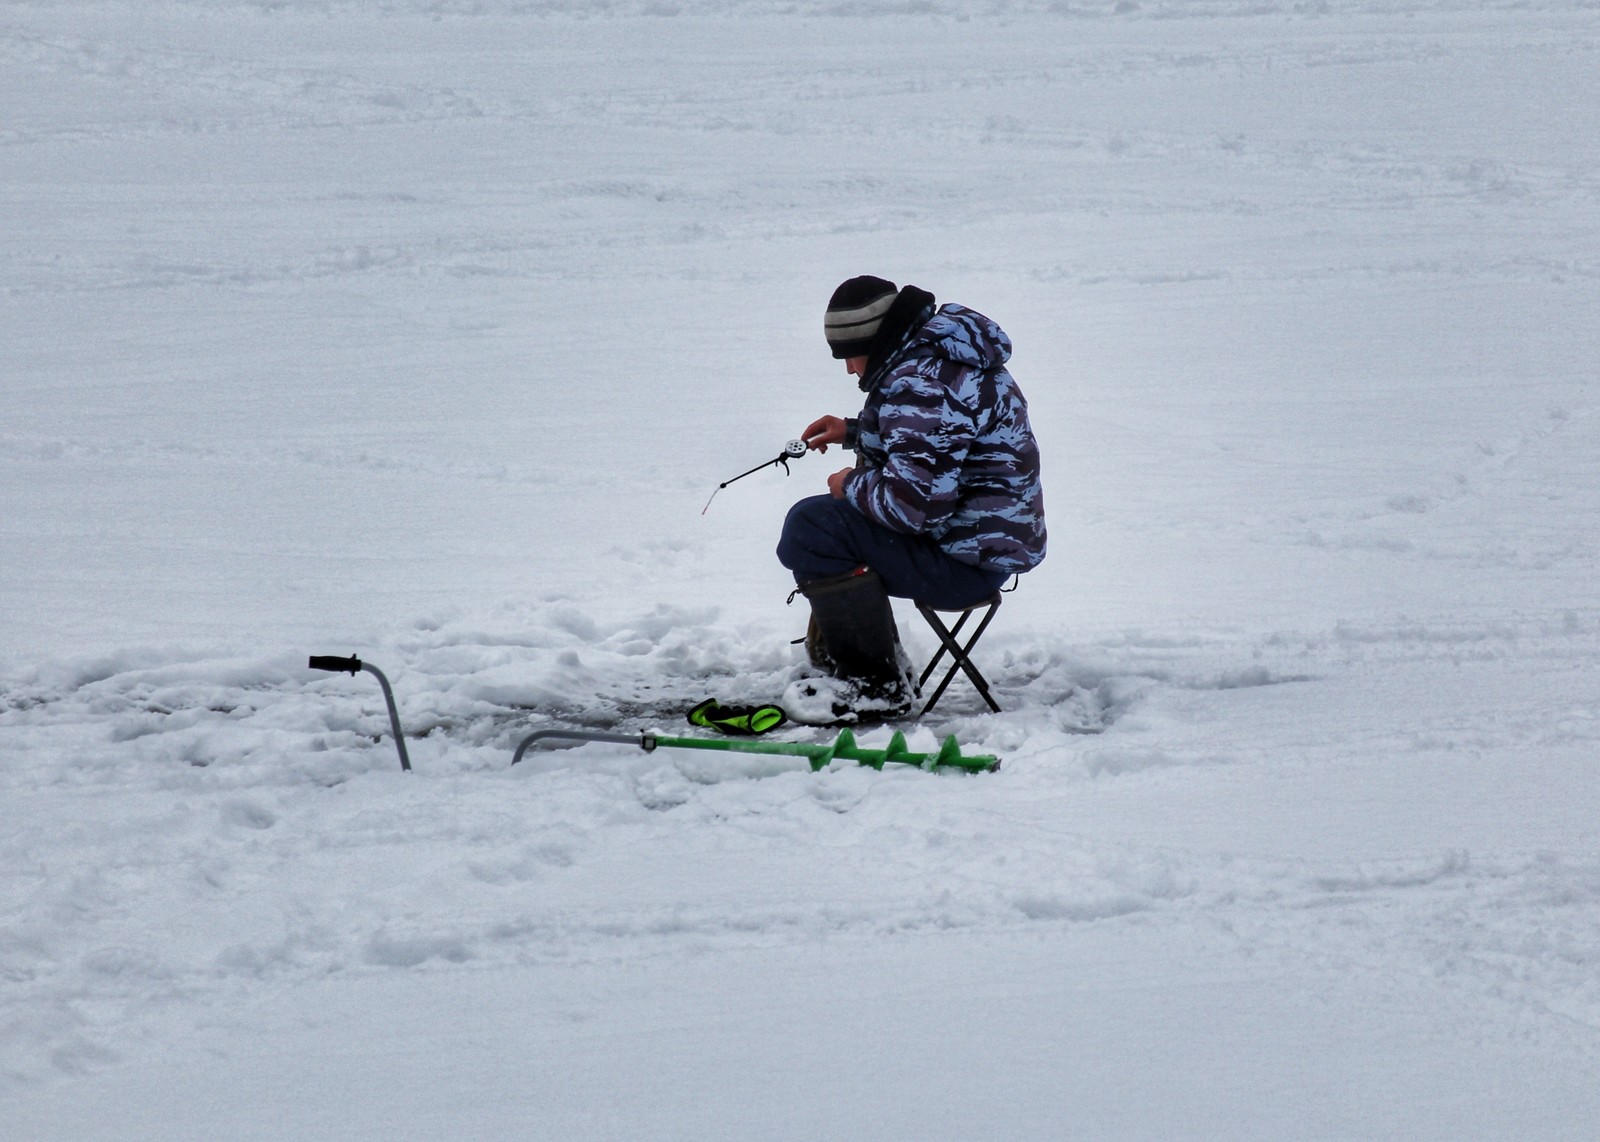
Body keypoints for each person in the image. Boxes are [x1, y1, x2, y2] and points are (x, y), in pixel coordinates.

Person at [776, 275, 1047, 720]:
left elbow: (915, 508)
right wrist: (855, 431)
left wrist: (849, 484)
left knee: (812, 526)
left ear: (874, 340)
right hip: (985, 549)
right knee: (823, 520)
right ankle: (853, 669)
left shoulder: (919, 383)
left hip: (962, 564)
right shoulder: (943, 356)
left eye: (850, 355)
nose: (848, 369)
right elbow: (942, 443)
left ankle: (875, 688)